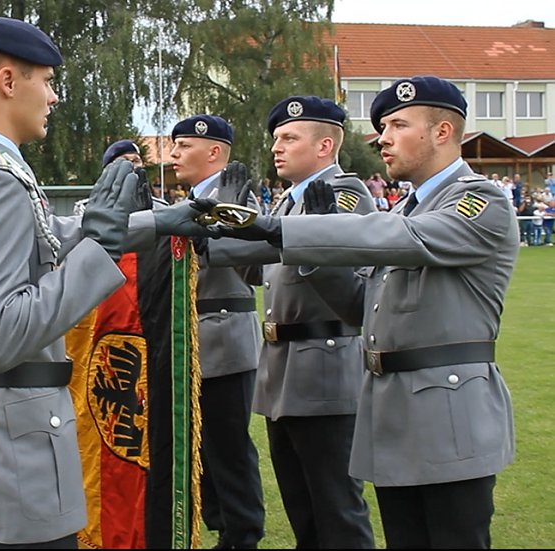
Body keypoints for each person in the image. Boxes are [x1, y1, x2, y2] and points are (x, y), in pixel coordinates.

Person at [205, 75, 518, 549]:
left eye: (397, 125)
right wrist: (306, 251)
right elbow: (361, 307)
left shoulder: (480, 200)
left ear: (441, 132)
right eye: (384, 126)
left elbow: (407, 241)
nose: (383, 138)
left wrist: (284, 231)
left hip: (448, 411)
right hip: (392, 406)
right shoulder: (408, 211)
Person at [0, 16, 151, 549]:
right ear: (7, 81)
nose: (52, 96)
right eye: (45, 81)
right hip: (8, 459)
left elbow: (45, 240)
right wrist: (100, 253)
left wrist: (152, 225)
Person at [200, 96, 376, 548]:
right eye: (276, 137)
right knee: (303, 506)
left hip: (325, 367)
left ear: (323, 146)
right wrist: (234, 228)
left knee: (336, 506)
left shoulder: (345, 195)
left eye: (289, 138)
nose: (277, 147)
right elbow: (260, 273)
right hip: (284, 371)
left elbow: (355, 284)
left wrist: (315, 236)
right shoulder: (288, 204)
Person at [168, 114, 265, 550]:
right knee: (199, 452)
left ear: (213, 152)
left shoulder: (239, 199)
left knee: (228, 448)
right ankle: (219, 524)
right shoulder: (184, 202)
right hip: (187, 342)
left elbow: (256, 266)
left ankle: (241, 533)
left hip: (223, 339)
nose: (173, 155)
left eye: (183, 146)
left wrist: (229, 221)